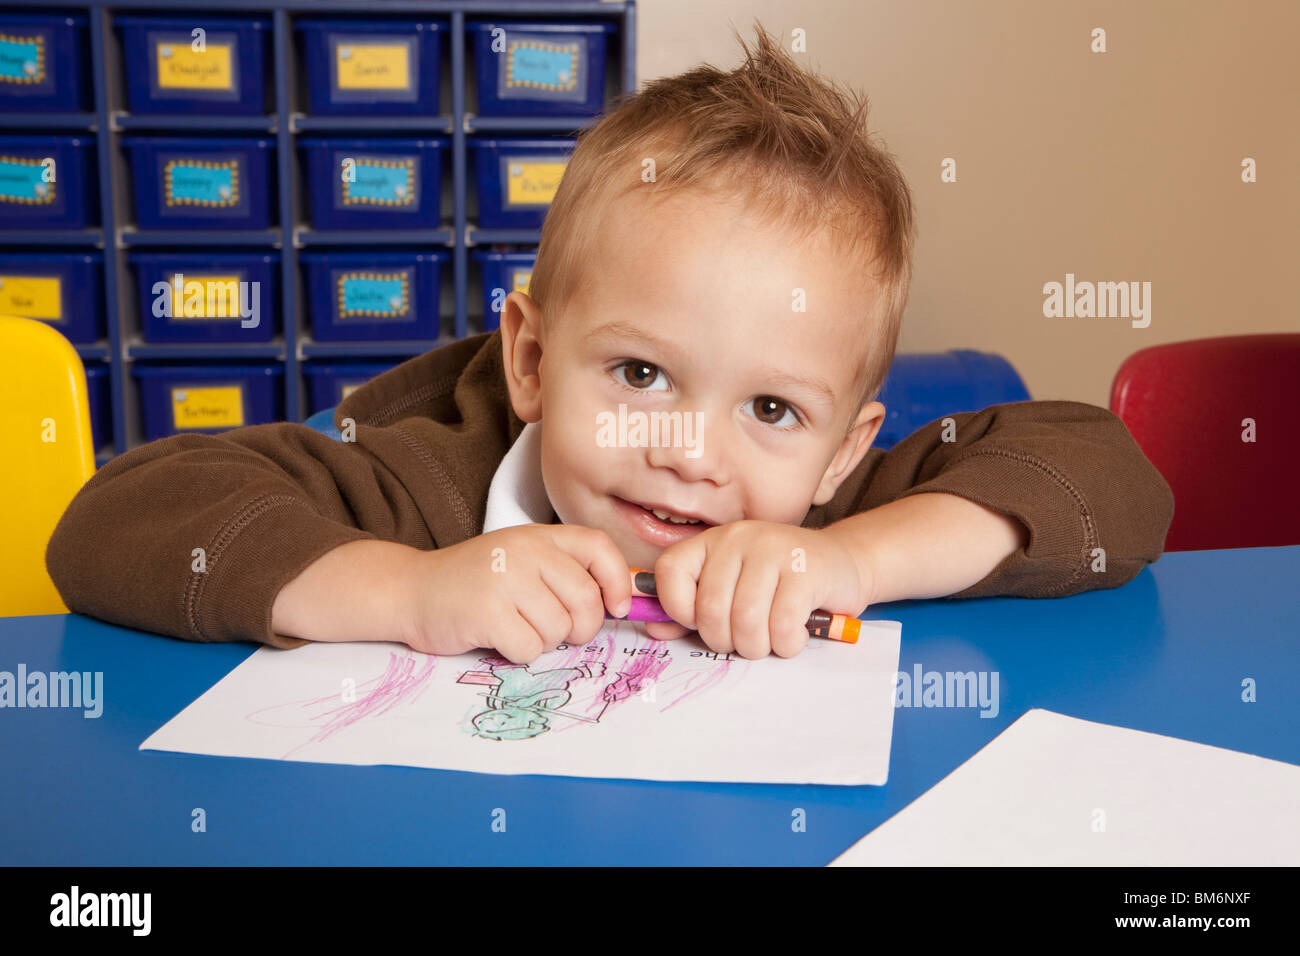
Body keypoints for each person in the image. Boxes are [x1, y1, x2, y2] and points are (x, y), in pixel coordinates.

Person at [46, 25, 1173, 663]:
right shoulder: (425, 486)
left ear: (841, 449)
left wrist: (853, 561)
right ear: (531, 358)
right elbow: (116, 521)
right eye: (641, 374)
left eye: (771, 410)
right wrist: (405, 590)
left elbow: (1109, 474)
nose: (693, 452)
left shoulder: (833, 511)